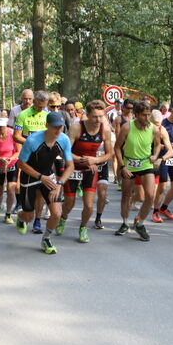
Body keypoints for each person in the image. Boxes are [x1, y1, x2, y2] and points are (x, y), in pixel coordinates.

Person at [15, 112, 74, 254]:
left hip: (48, 176)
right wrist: (40, 177)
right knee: (29, 216)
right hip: (30, 176)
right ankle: (21, 216)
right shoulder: (32, 140)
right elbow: (21, 164)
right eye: (55, 127)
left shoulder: (64, 140)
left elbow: (70, 166)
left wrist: (59, 183)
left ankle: (46, 239)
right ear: (47, 126)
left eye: (61, 127)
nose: (58, 130)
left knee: (56, 213)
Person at [114, 101, 170, 241]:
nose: (147, 118)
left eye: (149, 115)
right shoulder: (127, 127)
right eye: (144, 115)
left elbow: (157, 145)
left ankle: (140, 224)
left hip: (146, 165)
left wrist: (155, 156)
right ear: (137, 115)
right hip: (129, 165)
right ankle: (125, 223)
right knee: (126, 195)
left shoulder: (154, 129)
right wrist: (122, 167)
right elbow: (117, 148)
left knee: (150, 196)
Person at [59, 100, 114, 243]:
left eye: (101, 116)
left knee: (89, 205)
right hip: (73, 168)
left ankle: (83, 228)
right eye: (95, 116)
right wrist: (82, 159)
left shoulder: (105, 130)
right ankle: (63, 218)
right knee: (69, 203)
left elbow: (109, 154)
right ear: (87, 115)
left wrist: (95, 160)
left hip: (90, 168)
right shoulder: (77, 127)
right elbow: (66, 152)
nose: (98, 120)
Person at [14, 90, 50, 233]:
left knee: (41, 191)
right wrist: (32, 143)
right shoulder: (23, 115)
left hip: (44, 157)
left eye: (44, 106)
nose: (42, 109)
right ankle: (23, 214)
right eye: (40, 106)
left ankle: (37, 220)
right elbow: (16, 137)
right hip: (28, 157)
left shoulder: (47, 115)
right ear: (34, 101)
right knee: (29, 191)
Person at [0, 117, 20, 224]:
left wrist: (9, 159)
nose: (1, 129)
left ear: (7, 126)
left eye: (3, 127)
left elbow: (19, 151)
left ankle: (8, 213)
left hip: (12, 163)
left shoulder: (13, 134)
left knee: (11, 189)